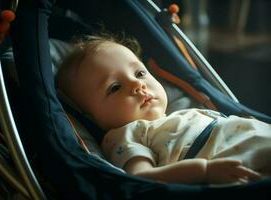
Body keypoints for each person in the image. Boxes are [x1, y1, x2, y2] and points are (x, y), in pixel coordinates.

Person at [56, 34, 271, 185]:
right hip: (235, 167)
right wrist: (204, 171)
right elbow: (143, 178)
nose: (137, 85)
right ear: (92, 117)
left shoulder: (182, 113)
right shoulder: (126, 136)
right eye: (115, 87)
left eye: (139, 73)